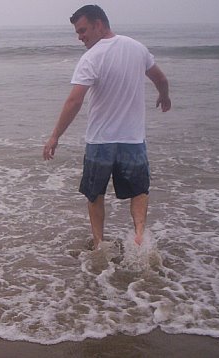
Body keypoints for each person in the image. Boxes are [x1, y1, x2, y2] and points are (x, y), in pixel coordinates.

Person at [43, 5, 171, 250]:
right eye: (78, 32)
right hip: (133, 140)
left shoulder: (92, 57)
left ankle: (99, 243)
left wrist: (55, 136)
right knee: (139, 192)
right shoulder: (137, 47)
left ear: (99, 24)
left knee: (95, 194)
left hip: (100, 141)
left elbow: (74, 101)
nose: (80, 36)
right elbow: (161, 79)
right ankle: (140, 237)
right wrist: (164, 96)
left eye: (83, 30)